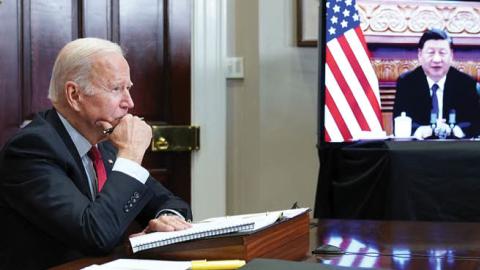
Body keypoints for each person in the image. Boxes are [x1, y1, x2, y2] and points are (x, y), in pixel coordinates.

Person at [0, 38, 192, 269]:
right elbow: (95, 235)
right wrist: (130, 153)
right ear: (74, 95)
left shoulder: (104, 144)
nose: (129, 102)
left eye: (128, 88)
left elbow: (171, 203)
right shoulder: (31, 149)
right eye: (116, 89)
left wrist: (167, 222)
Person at [393, 28, 480, 139]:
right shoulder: (407, 82)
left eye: (442, 53)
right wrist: (422, 130)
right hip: (419, 149)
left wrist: (455, 129)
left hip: (456, 149)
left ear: (451, 55)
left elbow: (474, 122)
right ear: (420, 54)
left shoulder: (465, 83)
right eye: (431, 52)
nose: (437, 59)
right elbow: (400, 119)